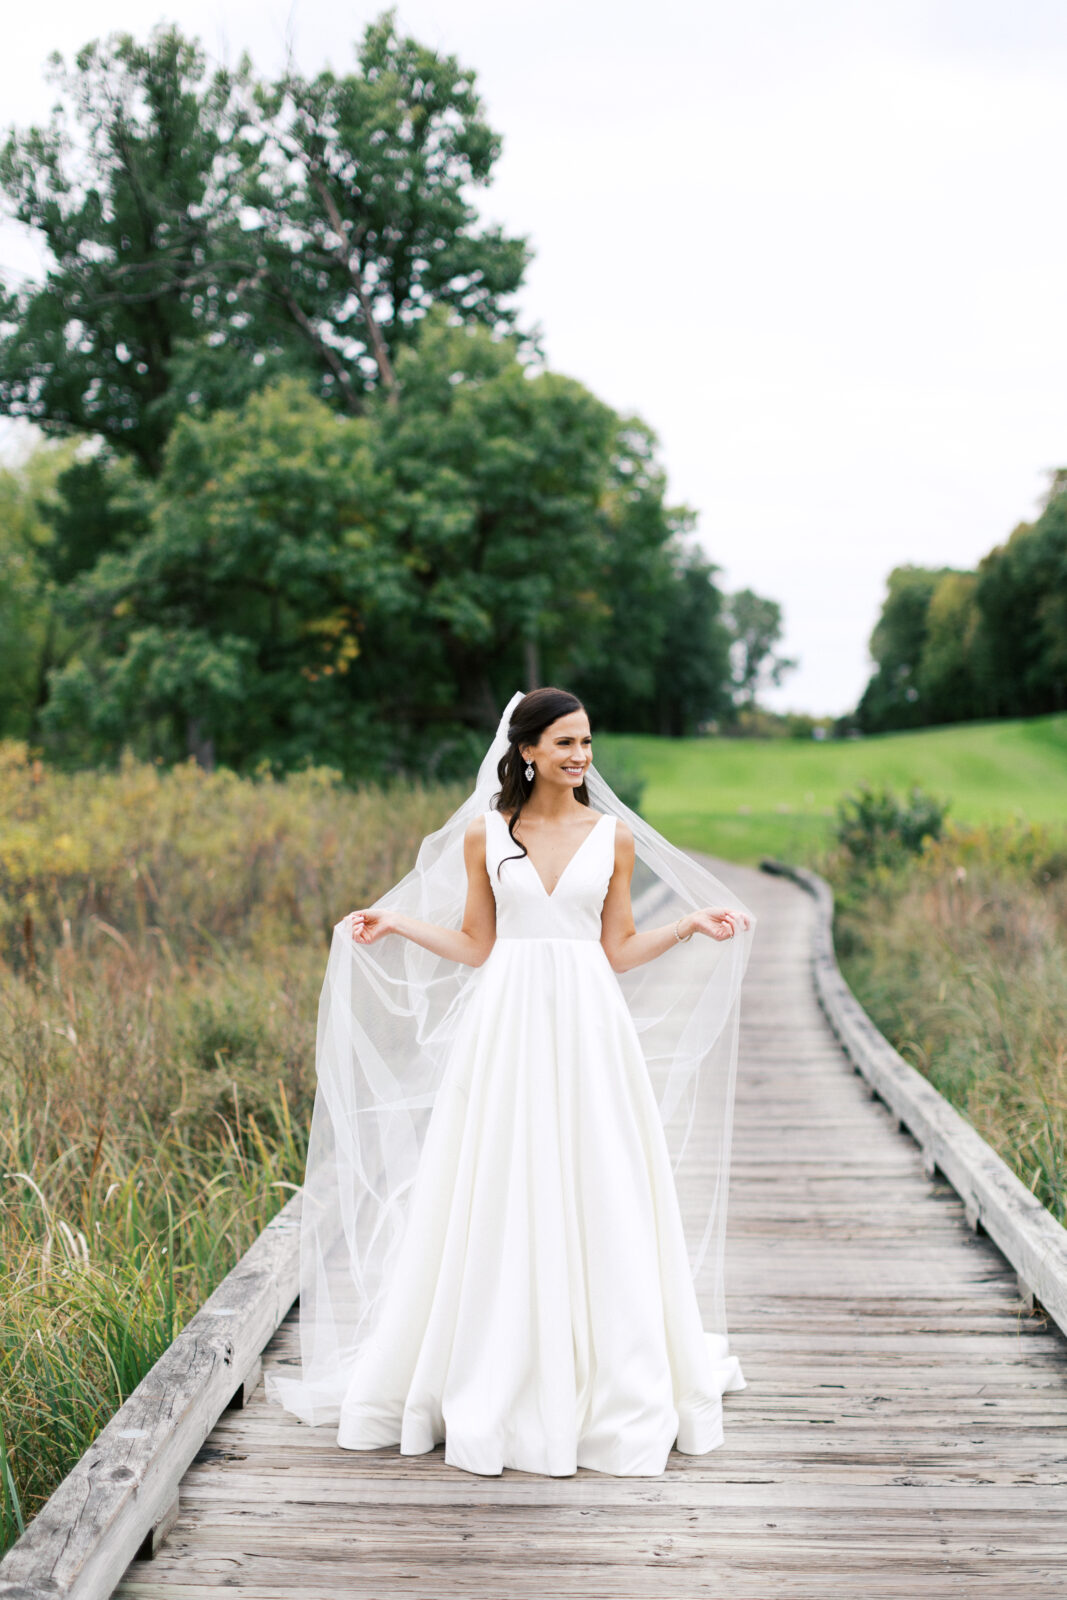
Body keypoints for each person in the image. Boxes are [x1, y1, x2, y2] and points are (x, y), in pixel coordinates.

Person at [264, 687, 755, 1478]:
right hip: (507, 1027)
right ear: (525, 750)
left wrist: (688, 925)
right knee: (498, 1183)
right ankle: (496, 1365)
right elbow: (475, 943)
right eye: (564, 743)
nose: (580, 756)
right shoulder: (484, 835)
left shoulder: (613, 838)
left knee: (599, 1180)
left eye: (586, 743)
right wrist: (393, 923)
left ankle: (607, 1372)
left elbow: (618, 949)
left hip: (590, 1030)